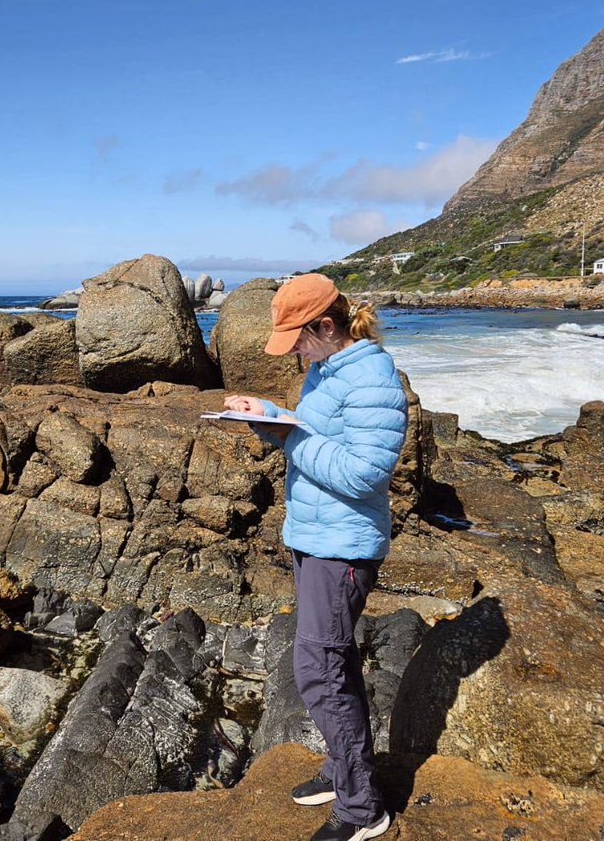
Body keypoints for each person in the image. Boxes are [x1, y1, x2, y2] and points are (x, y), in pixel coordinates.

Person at [224, 273, 406, 841]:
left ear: (325, 326)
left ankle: (361, 810)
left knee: (317, 670)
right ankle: (343, 767)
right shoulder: (325, 368)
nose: (295, 352)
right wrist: (270, 416)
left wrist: (292, 434)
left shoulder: (373, 381)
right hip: (315, 536)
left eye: (298, 340)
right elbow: (314, 433)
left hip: (343, 546)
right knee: (334, 661)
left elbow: (364, 473)